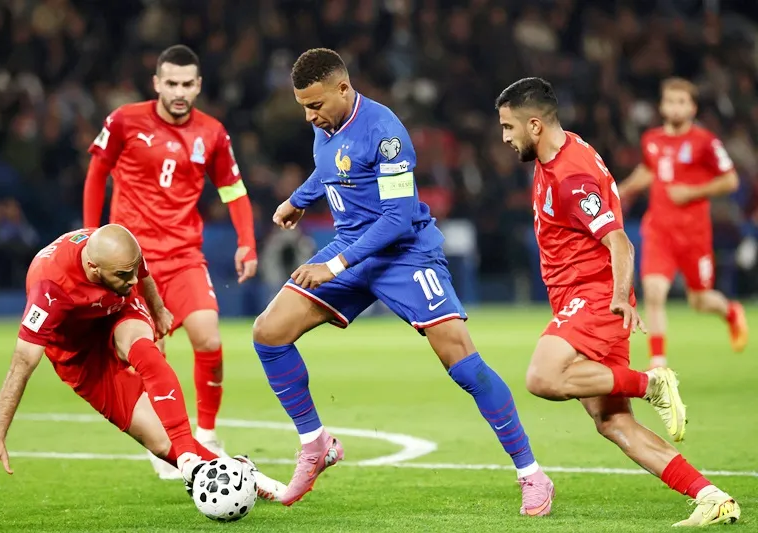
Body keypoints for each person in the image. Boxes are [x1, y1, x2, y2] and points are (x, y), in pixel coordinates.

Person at [251, 48, 554, 513]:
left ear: (343, 89)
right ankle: (316, 445)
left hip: (404, 255)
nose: (309, 116)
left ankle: (531, 474)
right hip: (352, 246)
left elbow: (396, 218)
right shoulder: (326, 127)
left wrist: (333, 267)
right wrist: (300, 198)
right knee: (268, 333)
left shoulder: (385, 132)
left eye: (315, 105)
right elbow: (332, 167)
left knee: (463, 362)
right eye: (303, 107)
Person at [496, 77, 740, 527]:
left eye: (509, 128)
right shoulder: (559, 150)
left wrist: (617, 298)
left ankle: (650, 384)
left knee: (542, 376)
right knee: (612, 422)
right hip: (578, 295)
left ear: (534, 125)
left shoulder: (571, 176)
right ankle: (711, 496)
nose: (505, 139)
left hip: (593, 297)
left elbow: (621, 243)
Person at [84, 45, 261, 479]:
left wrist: (247, 243)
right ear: (157, 83)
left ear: (198, 86)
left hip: (183, 255)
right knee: (151, 353)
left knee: (209, 338)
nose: (179, 92)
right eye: (171, 83)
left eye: (187, 84)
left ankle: (209, 432)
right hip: (132, 262)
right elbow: (96, 175)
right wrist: (92, 238)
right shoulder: (124, 120)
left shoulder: (213, 133)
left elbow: (233, 190)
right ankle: (163, 440)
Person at [0, 225, 214, 485]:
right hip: (79, 355)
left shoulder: (120, 252)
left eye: (132, 271)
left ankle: (190, 456)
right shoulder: (49, 289)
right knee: (159, 443)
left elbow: (141, 273)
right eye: (122, 274)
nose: (132, 280)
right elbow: (22, 363)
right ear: (94, 267)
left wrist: (159, 309)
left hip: (118, 311)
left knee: (143, 350)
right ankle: (235, 471)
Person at [618, 77, 748, 369]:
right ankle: (658, 363)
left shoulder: (706, 142)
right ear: (662, 106)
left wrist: (693, 191)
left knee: (699, 300)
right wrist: (623, 189)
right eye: (670, 101)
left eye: (681, 102)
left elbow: (731, 180)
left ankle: (730, 312)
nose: (675, 108)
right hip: (660, 230)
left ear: (692, 108)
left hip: (694, 234)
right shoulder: (651, 139)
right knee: (653, 291)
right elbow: (650, 171)